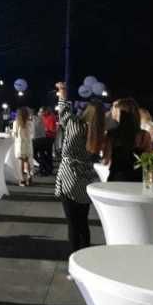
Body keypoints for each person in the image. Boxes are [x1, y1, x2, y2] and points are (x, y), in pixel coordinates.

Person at [53, 83, 105, 256]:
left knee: (72, 224)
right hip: (86, 178)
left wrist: (62, 93)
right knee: (83, 222)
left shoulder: (76, 125)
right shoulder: (98, 133)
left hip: (70, 176)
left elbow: (64, 113)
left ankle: (75, 258)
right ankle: (85, 256)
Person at [104, 98, 152, 182]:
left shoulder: (112, 134)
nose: (112, 111)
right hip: (137, 179)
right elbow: (148, 160)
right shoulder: (144, 135)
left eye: (115, 109)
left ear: (120, 113)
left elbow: (106, 160)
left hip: (117, 178)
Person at [13, 107, 35, 186]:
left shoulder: (16, 122)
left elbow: (14, 134)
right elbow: (32, 133)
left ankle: (22, 180)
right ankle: (29, 177)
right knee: (27, 161)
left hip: (19, 144)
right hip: (28, 144)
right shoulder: (30, 123)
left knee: (21, 162)